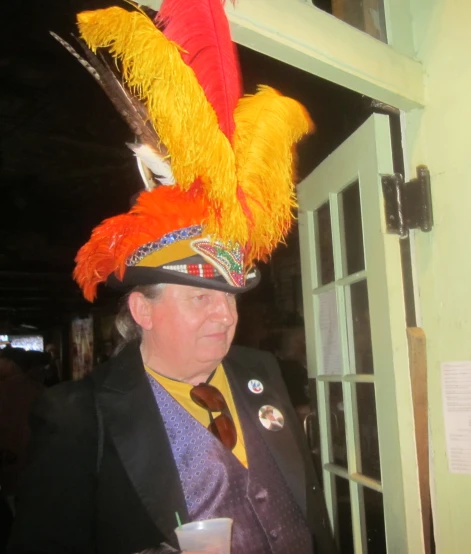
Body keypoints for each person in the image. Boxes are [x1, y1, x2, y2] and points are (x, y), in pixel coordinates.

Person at [8, 1, 332, 553]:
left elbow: (309, 511)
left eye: (228, 295)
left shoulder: (262, 371)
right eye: (198, 297)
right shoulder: (79, 416)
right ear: (143, 309)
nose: (225, 313)